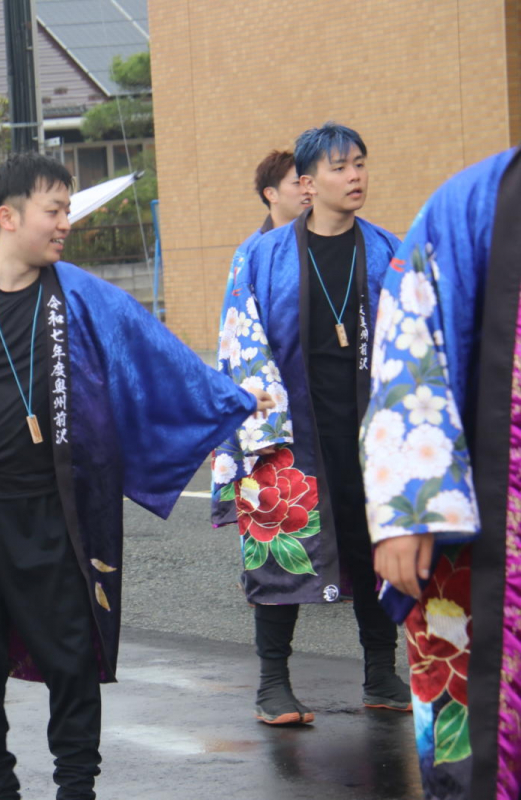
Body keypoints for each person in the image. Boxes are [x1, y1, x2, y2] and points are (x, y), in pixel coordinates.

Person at [0, 152, 273, 800]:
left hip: (58, 511)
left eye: (67, 209)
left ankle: (75, 787)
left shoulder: (84, 297)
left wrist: (224, 398)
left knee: (72, 656)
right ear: (9, 217)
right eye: (54, 210)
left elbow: (156, 356)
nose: (66, 222)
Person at [211, 122, 412, 726]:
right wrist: (261, 422)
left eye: (360, 164)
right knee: (281, 551)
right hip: (289, 433)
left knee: (374, 545)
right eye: (339, 167)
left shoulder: (388, 250)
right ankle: (273, 682)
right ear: (306, 183)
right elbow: (239, 342)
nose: (355, 176)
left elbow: (416, 339)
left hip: (369, 431)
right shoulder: (261, 256)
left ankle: (381, 670)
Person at [360, 147, 521, 799]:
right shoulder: (478, 200)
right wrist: (409, 504)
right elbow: (410, 343)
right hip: (489, 521)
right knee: (477, 740)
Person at [215, 150, 312, 415]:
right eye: (297, 183)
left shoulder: (324, 241)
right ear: (271, 194)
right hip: (277, 389)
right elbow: (236, 336)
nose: (307, 190)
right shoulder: (250, 253)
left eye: (309, 181)